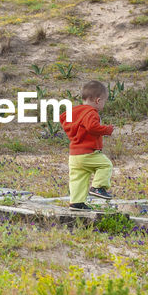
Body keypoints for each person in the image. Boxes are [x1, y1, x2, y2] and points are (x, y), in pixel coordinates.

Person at [61, 80, 114, 210]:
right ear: (98, 100)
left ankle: (76, 203)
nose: (103, 105)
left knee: (78, 177)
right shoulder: (91, 112)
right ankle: (98, 187)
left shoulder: (75, 113)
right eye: (104, 102)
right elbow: (92, 127)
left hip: (74, 154)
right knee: (106, 165)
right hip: (87, 153)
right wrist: (106, 130)